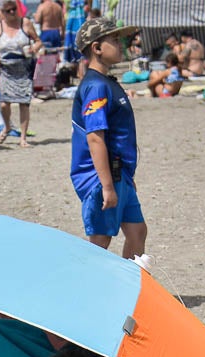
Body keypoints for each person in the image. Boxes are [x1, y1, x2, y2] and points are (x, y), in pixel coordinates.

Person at [70, 17, 147, 258]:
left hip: (119, 174)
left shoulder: (107, 83)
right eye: (114, 40)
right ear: (97, 48)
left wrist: (125, 175)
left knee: (137, 232)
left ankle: (128, 290)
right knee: (100, 241)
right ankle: (83, 291)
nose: (121, 44)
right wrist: (106, 186)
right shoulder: (96, 87)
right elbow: (95, 138)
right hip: (100, 178)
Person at [0, 0, 41, 148]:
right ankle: (7, 126)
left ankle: (23, 138)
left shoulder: (26, 23)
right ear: (2, 13)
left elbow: (38, 41)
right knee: (4, 104)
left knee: (24, 104)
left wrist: (33, 48)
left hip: (24, 69)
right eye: (8, 10)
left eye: (14, 9)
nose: (12, 12)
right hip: (5, 70)